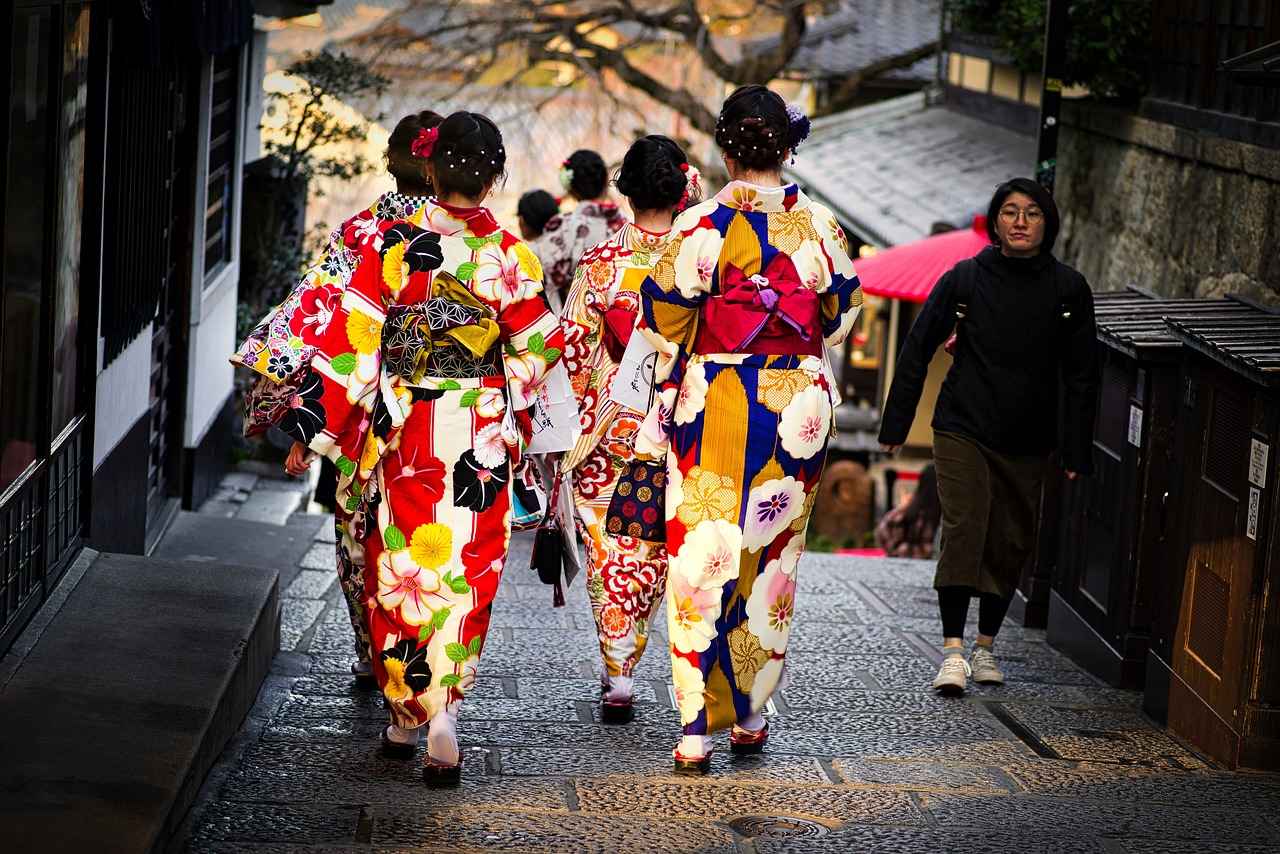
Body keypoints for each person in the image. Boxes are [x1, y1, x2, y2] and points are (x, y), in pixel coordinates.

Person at [235, 111, 564, 785]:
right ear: (496, 179)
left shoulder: (391, 247)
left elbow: (353, 349)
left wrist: (313, 431)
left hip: (404, 430)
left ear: (431, 171)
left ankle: (406, 714)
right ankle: (444, 714)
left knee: (398, 569)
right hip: (478, 433)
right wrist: (507, 400)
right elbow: (537, 349)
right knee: (466, 569)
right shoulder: (512, 257)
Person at [636, 85, 863, 774]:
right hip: (798, 406)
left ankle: (694, 727)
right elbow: (840, 317)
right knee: (772, 557)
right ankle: (751, 711)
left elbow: (662, 317)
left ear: (726, 149)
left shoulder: (699, 225)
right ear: (787, 147)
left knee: (702, 554)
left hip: (718, 397)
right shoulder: (821, 226)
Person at [236, 110, 444, 692]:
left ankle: (370, 649)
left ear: (390, 164)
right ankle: (418, 646)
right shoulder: (464, 238)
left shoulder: (360, 232)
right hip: (438, 410)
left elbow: (317, 319)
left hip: (355, 408)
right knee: (426, 529)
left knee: (358, 531)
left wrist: (306, 424)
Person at [878, 177, 1099, 696]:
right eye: (1009, 211)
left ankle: (985, 647)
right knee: (965, 526)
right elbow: (918, 346)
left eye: (1032, 213)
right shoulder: (966, 279)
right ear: (996, 222)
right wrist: (896, 424)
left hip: (1029, 433)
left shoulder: (1069, 290)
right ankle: (952, 652)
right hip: (963, 425)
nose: (1020, 222)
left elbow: (1082, 375)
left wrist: (1075, 449)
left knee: (1010, 538)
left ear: (1048, 223)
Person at [559, 135, 700, 724]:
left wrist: (563, 429)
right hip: (685, 419)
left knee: (612, 548)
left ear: (627, 191)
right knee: (660, 546)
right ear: (682, 187)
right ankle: (656, 658)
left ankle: (619, 670)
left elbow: (572, 349)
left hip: (612, 422)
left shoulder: (601, 262)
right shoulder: (704, 259)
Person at [532, 149, 626, 311]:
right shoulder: (626, 224)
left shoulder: (561, 227)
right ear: (606, 180)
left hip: (575, 316)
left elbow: (543, 276)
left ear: (571, 189)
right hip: (624, 316)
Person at [875, 464, 941, 559]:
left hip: (901, 559)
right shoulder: (944, 516)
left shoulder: (910, 510)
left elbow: (882, 531)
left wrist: (896, 551)